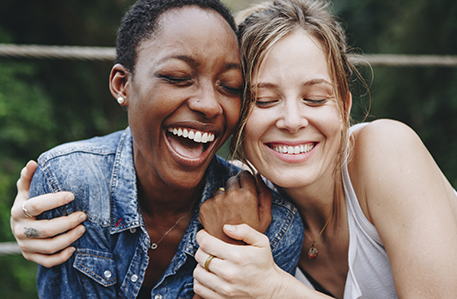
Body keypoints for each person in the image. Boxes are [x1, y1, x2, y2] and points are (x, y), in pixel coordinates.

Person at [9, 0, 304, 298]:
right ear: (122, 85)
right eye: (178, 78)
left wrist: (230, 253)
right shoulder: (72, 187)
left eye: (229, 85)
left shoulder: (271, 227)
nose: (209, 104)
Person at [191, 0, 457, 298]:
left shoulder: (387, 150)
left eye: (315, 98)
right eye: (264, 100)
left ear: (344, 107)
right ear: (237, 114)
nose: (292, 121)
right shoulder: (243, 201)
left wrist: (277, 290)